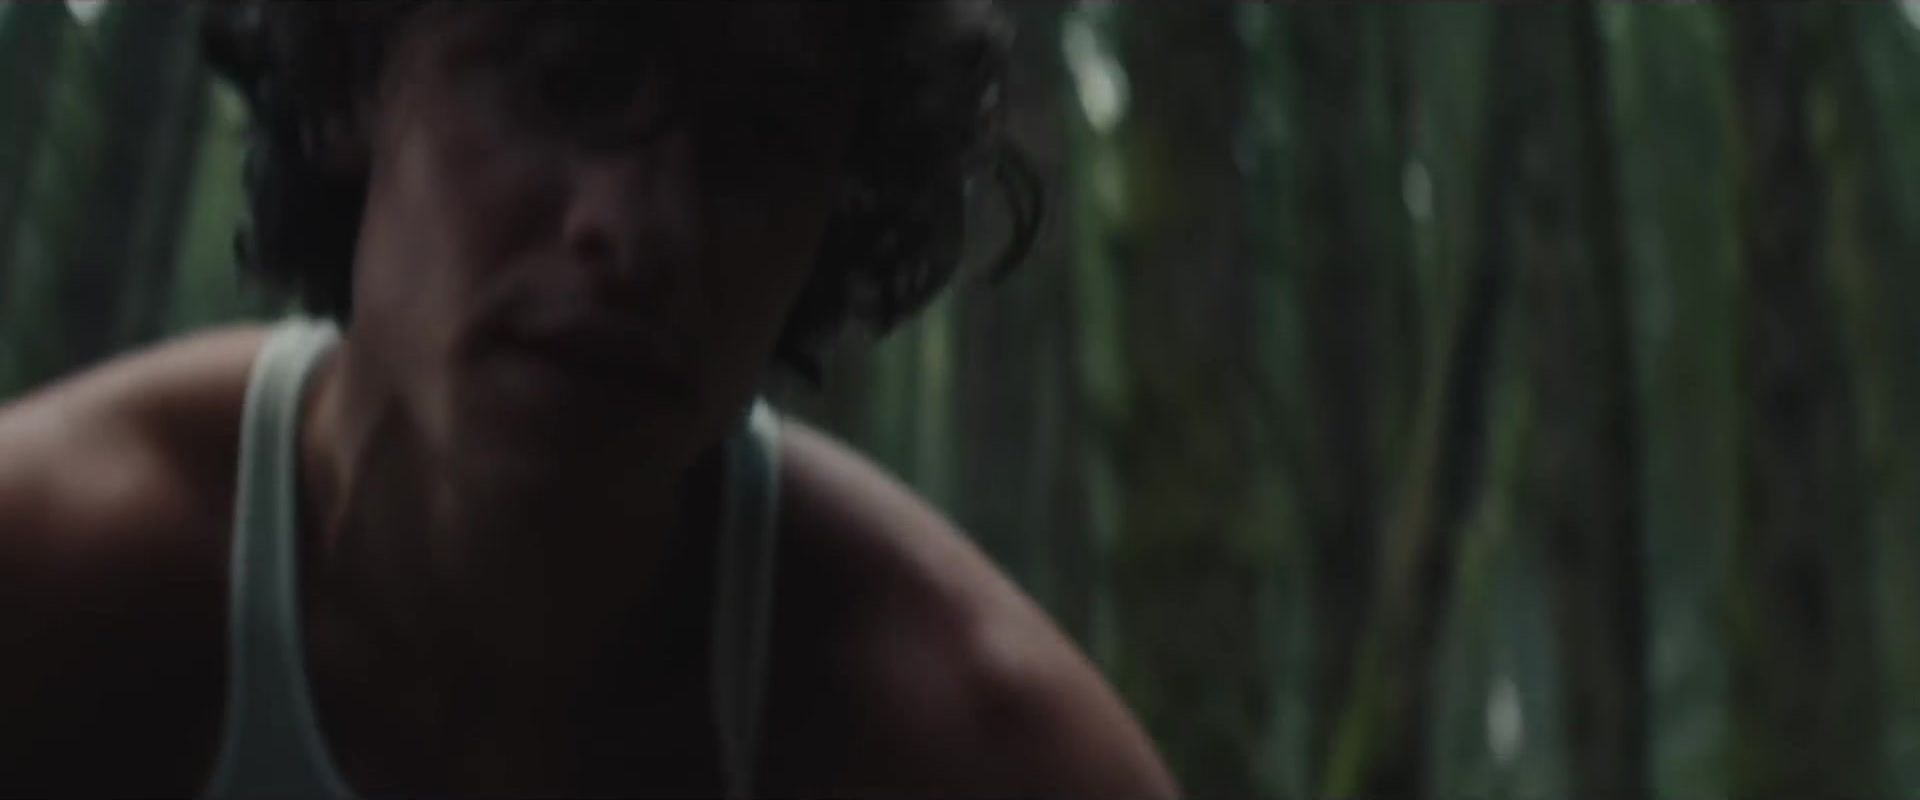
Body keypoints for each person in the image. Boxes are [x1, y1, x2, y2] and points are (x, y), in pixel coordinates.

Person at [0, 2, 1177, 797]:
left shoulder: (971, 739)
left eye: (758, 138)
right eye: (564, 81)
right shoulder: (52, 572)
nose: (637, 227)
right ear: (358, 77)